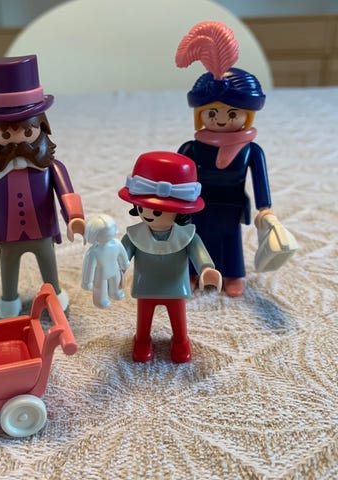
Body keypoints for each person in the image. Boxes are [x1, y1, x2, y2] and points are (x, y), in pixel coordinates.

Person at [0, 56, 85, 318]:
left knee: (48, 265)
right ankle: (9, 298)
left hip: (42, 229)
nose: (16, 140)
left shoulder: (52, 167)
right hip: (6, 234)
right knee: (8, 268)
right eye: (5, 134)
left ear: (41, 127)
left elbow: (67, 193)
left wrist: (74, 217)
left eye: (27, 131)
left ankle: (53, 294)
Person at [176, 21, 281, 297]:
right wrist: (172, 200)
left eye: (232, 113)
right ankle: (194, 271)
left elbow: (260, 181)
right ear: (200, 115)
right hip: (198, 204)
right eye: (212, 113)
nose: (221, 119)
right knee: (196, 238)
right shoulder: (192, 147)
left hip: (231, 205)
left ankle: (232, 273)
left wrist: (265, 208)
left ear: (247, 115)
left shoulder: (251, 150)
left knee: (230, 239)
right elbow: (175, 175)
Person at [118, 151, 222, 363]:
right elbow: (122, 255)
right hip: (146, 285)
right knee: (144, 318)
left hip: (175, 285)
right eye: (142, 208)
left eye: (157, 211)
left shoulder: (187, 235)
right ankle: (142, 340)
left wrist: (206, 269)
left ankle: (181, 340)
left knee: (178, 317)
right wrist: (117, 269)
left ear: (180, 212)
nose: (148, 215)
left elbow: (198, 252)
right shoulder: (134, 235)